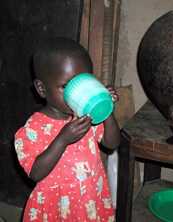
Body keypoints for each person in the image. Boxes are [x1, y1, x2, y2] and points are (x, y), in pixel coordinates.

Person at [14, 37, 120, 222]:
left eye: (83, 82)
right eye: (66, 86)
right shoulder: (33, 128)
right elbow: (35, 173)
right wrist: (62, 139)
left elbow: (112, 143)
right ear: (42, 88)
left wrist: (105, 108)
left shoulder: (87, 115)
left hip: (89, 202)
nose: (78, 93)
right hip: (55, 209)